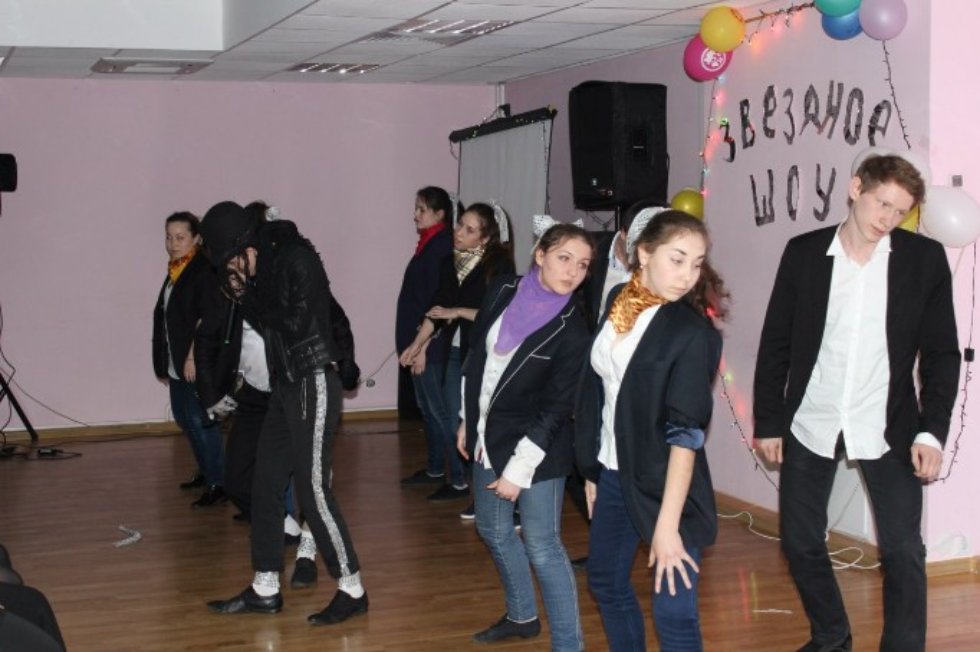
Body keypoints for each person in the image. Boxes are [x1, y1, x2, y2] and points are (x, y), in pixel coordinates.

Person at [753, 154, 960, 652]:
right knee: (801, 543)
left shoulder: (923, 261)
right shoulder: (803, 253)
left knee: (904, 549)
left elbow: (941, 354)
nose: (886, 219)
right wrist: (769, 420)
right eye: (881, 203)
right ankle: (831, 636)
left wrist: (931, 431)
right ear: (855, 188)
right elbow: (776, 341)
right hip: (811, 420)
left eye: (900, 211)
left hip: (888, 425)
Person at [201, 200, 367, 625]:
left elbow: (296, 323)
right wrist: (246, 292)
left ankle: (352, 588)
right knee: (265, 484)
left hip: (314, 380)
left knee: (313, 490)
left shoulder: (298, 259)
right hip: (286, 385)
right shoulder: (264, 265)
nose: (231, 272)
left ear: (243, 248)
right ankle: (265, 587)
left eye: (230, 263)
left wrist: (247, 298)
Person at [576, 209, 726, 651]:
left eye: (696, 263)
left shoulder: (693, 334)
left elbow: (686, 436)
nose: (687, 276)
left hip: (668, 486)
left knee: (673, 612)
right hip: (615, 472)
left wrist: (667, 525)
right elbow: (601, 391)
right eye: (677, 259)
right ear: (644, 253)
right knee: (604, 580)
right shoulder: (618, 300)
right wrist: (591, 467)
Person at [456, 221, 594, 651]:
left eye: (583, 265)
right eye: (564, 258)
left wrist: (518, 470)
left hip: (540, 447)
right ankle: (522, 616)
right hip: (489, 433)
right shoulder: (502, 290)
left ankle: (569, 645)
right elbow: (477, 357)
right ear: (540, 255)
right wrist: (467, 418)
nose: (572, 272)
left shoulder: (574, 329)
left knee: (542, 543)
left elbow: (556, 410)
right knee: (493, 530)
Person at [399, 202, 515, 505]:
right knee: (454, 422)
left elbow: (497, 315)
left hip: (485, 356)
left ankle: (487, 494)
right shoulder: (449, 262)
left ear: (486, 239)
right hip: (455, 352)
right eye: (460, 224)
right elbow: (438, 307)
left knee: (480, 423)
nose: (459, 232)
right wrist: (416, 345)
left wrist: (458, 311)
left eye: (469, 229)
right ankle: (464, 483)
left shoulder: (499, 268)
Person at [152, 211, 226, 507]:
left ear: (196, 238)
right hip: (176, 359)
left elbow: (208, 318)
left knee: (200, 421)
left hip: (194, 361)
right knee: (185, 419)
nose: (172, 243)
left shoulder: (203, 270)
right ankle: (206, 472)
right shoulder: (176, 269)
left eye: (180, 237)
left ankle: (219, 482)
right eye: (168, 237)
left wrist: (194, 357)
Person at [396, 186, 457, 488]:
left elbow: (438, 302)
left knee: (438, 411)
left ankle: (458, 478)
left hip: (428, 346)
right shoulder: (428, 244)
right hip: (417, 342)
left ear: (439, 214)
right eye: (416, 208)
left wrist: (423, 345)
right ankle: (435, 468)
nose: (415, 215)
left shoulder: (442, 246)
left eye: (421, 209)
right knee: (428, 411)